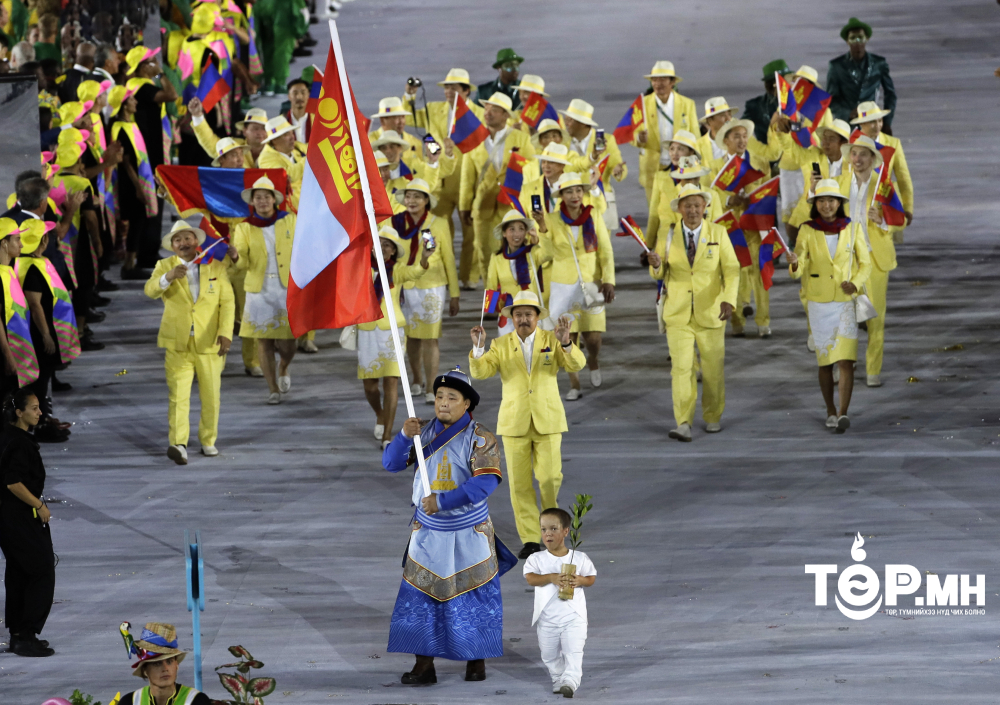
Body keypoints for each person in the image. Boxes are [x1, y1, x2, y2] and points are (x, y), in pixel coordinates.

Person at [382, 367, 516, 685]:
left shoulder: (481, 438)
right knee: (419, 597)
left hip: (469, 532)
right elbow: (390, 463)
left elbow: (485, 483)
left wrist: (443, 502)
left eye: (451, 397)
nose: (443, 402)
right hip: (427, 533)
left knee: (475, 595)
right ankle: (423, 665)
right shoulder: (422, 432)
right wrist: (403, 436)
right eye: (439, 396)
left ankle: (476, 661)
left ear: (466, 403)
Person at [469, 291, 585, 557]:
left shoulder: (552, 339)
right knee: (519, 485)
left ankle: (552, 532)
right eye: (518, 314)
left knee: (549, 478)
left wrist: (566, 343)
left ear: (537, 317)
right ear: (511, 318)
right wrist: (478, 348)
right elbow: (481, 372)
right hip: (514, 422)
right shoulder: (499, 344)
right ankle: (531, 539)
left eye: (528, 314)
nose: (523, 319)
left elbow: (576, 364)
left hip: (548, 419)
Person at [647, 184, 740, 442]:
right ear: (679, 208)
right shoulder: (668, 234)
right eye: (687, 205)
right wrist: (655, 266)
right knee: (681, 369)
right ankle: (683, 422)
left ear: (705, 207)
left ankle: (712, 416)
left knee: (712, 370)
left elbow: (731, 270)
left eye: (697, 205)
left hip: (712, 311)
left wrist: (728, 300)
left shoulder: (719, 233)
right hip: (677, 313)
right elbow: (659, 272)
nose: (693, 210)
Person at [144, 221, 233, 465]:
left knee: (211, 396)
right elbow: (150, 290)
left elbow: (227, 302)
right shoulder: (164, 266)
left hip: (210, 342)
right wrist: (168, 278)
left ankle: (208, 440)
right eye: (177, 240)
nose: (183, 243)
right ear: (172, 246)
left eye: (187, 238)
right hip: (177, 343)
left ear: (197, 242)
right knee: (178, 396)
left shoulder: (215, 265)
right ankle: (178, 444)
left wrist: (226, 333)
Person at [789, 180, 871, 432]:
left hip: (845, 302)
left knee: (846, 361)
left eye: (832, 200)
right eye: (822, 201)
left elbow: (865, 264)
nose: (827, 205)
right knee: (825, 363)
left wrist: (855, 284)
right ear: (815, 204)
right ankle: (830, 410)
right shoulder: (807, 230)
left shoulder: (852, 227)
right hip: (818, 302)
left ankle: (844, 412)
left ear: (840, 203)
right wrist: (793, 263)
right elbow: (799, 268)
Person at [539, 173, 615, 399]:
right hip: (562, 285)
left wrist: (609, 279)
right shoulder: (551, 219)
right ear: (561, 195)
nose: (575, 195)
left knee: (593, 336)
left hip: (590, 282)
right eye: (569, 191)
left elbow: (606, 251)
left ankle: (592, 359)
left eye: (579, 190)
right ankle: (575, 384)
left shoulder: (595, 215)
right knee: (566, 336)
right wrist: (542, 231)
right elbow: (544, 255)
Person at [402, 68, 480, 281]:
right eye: (446, 87)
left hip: (466, 179)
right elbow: (408, 118)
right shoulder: (432, 109)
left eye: (453, 88)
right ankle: (440, 274)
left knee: (470, 232)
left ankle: (469, 276)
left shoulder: (479, 115)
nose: (448, 91)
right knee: (437, 230)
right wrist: (410, 94)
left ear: (466, 91)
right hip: (437, 180)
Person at [359, 226, 430, 447]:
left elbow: (416, 272)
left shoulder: (397, 270)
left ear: (393, 251)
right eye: (379, 243)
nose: (382, 247)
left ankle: (387, 435)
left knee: (391, 382)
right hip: (367, 329)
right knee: (370, 386)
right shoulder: (360, 269)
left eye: (387, 245)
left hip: (393, 331)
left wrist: (425, 258)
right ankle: (380, 414)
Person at [230, 177, 297, 404]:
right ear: (252, 201)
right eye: (257, 197)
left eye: (266, 197)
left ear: (274, 200)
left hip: (286, 288)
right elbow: (242, 262)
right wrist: (235, 256)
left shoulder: (290, 221)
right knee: (264, 341)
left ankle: (284, 367)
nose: (262, 201)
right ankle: (272, 389)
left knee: (289, 342)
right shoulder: (243, 227)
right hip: (259, 290)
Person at [391, 179, 459, 404]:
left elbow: (448, 257)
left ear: (426, 201)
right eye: (409, 196)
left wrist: (455, 293)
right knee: (411, 336)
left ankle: (431, 386)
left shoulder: (438, 222)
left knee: (430, 337)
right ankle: (417, 380)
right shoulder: (395, 222)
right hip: (406, 285)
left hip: (432, 287)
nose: (412, 201)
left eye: (417, 197)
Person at [458, 92, 535, 287]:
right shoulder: (475, 138)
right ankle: (491, 304)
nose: (488, 113)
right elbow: (467, 177)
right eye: (486, 108)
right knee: (485, 255)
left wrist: (529, 205)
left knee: (515, 252)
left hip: (511, 207)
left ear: (506, 115)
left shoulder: (521, 139)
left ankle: (517, 297)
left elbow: (532, 174)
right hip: (482, 207)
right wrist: (464, 206)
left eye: (494, 110)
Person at [0, 388, 55, 657]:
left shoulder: (9, 436)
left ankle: (19, 634)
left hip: (8, 517)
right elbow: (12, 482)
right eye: (34, 408)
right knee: (41, 569)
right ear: (18, 413)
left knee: (20, 572)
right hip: (17, 516)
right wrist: (39, 505)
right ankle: (26, 633)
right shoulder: (19, 443)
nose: (40, 412)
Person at [835, 135, 892, 388]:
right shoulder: (839, 183)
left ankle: (873, 370)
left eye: (863, 154)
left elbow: (898, 217)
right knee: (844, 317)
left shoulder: (884, 186)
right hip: (847, 261)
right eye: (854, 154)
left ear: (872, 158)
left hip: (875, 258)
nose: (857, 159)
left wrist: (882, 220)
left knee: (875, 318)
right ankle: (844, 365)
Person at [707, 118, 772, 337]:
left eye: (745, 136)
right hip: (729, 228)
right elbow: (712, 196)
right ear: (725, 141)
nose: (742, 140)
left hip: (755, 226)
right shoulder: (716, 169)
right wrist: (729, 201)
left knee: (759, 272)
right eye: (737, 136)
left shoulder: (761, 163)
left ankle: (763, 321)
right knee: (732, 273)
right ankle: (737, 321)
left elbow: (768, 194)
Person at [524, 507, 597, 699]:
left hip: (574, 617)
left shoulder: (579, 558)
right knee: (548, 654)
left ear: (566, 531)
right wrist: (551, 577)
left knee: (573, 651)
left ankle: (570, 682)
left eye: (553, 529)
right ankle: (558, 677)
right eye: (543, 529)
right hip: (547, 619)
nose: (548, 534)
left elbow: (591, 578)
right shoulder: (536, 559)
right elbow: (531, 579)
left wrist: (580, 581)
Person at [16, 219, 75, 443]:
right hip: (39, 333)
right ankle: (38, 424)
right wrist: (46, 335)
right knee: (40, 379)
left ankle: (40, 418)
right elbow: (35, 303)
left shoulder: (26, 263)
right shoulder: (32, 269)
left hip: (33, 331)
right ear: (42, 241)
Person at [124, 46, 177, 268]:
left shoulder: (132, 86)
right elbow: (172, 95)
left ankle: (146, 251)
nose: (156, 62)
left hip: (147, 150)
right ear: (142, 66)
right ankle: (147, 253)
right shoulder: (143, 88)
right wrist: (162, 75)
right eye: (151, 60)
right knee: (152, 205)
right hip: (150, 153)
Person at [634, 61, 698, 203]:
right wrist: (639, 138)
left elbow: (695, 137)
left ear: (673, 82)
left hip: (682, 166)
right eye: (654, 80)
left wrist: (697, 165)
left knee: (682, 205)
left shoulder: (687, 104)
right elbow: (632, 134)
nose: (658, 84)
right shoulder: (642, 104)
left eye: (663, 79)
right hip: (653, 167)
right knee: (655, 211)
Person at [851, 100, 914, 237]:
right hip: (858, 205)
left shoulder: (893, 143)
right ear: (862, 124)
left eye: (880, 121)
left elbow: (904, 178)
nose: (877, 126)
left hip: (885, 203)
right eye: (872, 122)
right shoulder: (851, 144)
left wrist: (908, 208)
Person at [827, 18, 896, 132]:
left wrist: (887, 122)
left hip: (871, 123)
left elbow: (890, 94)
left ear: (866, 39)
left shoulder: (879, 64)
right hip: (845, 126)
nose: (857, 43)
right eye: (853, 39)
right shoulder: (836, 66)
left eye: (861, 38)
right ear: (847, 41)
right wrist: (848, 113)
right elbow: (831, 99)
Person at [486, 210, 549, 333]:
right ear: (504, 233)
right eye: (512, 229)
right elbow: (491, 285)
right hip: (508, 312)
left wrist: (540, 234)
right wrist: (488, 308)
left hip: (531, 311)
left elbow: (549, 254)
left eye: (521, 229)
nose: (517, 233)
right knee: (509, 350)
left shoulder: (533, 252)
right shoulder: (497, 258)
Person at [118, 622, 211, 705]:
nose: (165, 668)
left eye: (169, 661)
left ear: (176, 665)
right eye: (157, 663)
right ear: (145, 669)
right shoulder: (130, 701)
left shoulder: (197, 700)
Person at [644, 129, 702, 253]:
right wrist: (648, 246)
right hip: (667, 242)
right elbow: (654, 214)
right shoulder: (660, 177)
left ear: (691, 152)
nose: (674, 153)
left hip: (696, 241)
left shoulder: (702, 176)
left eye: (680, 149)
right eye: (672, 149)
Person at [374, 130, 444, 206]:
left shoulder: (414, 165)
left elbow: (426, 186)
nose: (388, 151)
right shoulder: (370, 172)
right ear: (379, 150)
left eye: (392, 146)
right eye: (384, 148)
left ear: (400, 148)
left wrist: (432, 161)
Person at [192, 104, 268, 168]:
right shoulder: (233, 145)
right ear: (244, 131)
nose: (260, 132)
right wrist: (197, 116)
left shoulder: (277, 147)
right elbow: (210, 142)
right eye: (255, 128)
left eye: (264, 128)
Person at [257, 115, 306, 211]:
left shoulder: (297, 147)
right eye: (286, 134)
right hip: (289, 213)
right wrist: (309, 160)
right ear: (274, 140)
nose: (292, 137)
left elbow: (313, 149)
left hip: (307, 207)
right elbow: (287, 176)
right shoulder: (265, 158)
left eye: (292, 133)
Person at [743, 59, 792, 144]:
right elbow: (740, 128)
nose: (790, 83)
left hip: (796, 154)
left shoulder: (796, 101)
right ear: (774, 84)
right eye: (786, 80)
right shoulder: (756, 106)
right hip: (770, 155)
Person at [284, 77, 312, 143]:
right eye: (295, 93)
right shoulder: (282, 121)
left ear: (308, 95)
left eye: (303, 93)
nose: (299, 97)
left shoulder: (317, 121)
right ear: (289, 96)